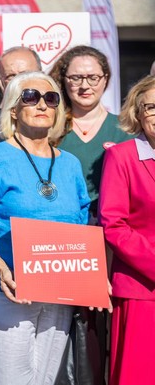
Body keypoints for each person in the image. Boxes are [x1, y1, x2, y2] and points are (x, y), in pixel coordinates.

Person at [0, 71, 91, 385]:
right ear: (14, 110)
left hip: (58, 292)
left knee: (45, 380)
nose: (42, 104)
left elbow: (81, 230)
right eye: (31, 97)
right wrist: (2, 270)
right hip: (6, 289)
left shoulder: (70, 164)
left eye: (51, 98)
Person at [98, 74, 155, 385]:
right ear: (137, 113)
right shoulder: (121, 157)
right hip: (142, 290)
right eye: (151, 107)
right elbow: (113, 224)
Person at [50, 45, 134, 223]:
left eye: (93, 78)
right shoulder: (49, 129)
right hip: (61, 225)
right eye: (76, 78)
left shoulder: (127, 129)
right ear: (64, 80)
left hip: (113, 227)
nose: (84, 86)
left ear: (105, 79)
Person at [0, 46, 42, 144]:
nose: (18, 81)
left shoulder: (60, 120)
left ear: (42, 76)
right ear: (1, 83)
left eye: (25, 74)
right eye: (11, 76)